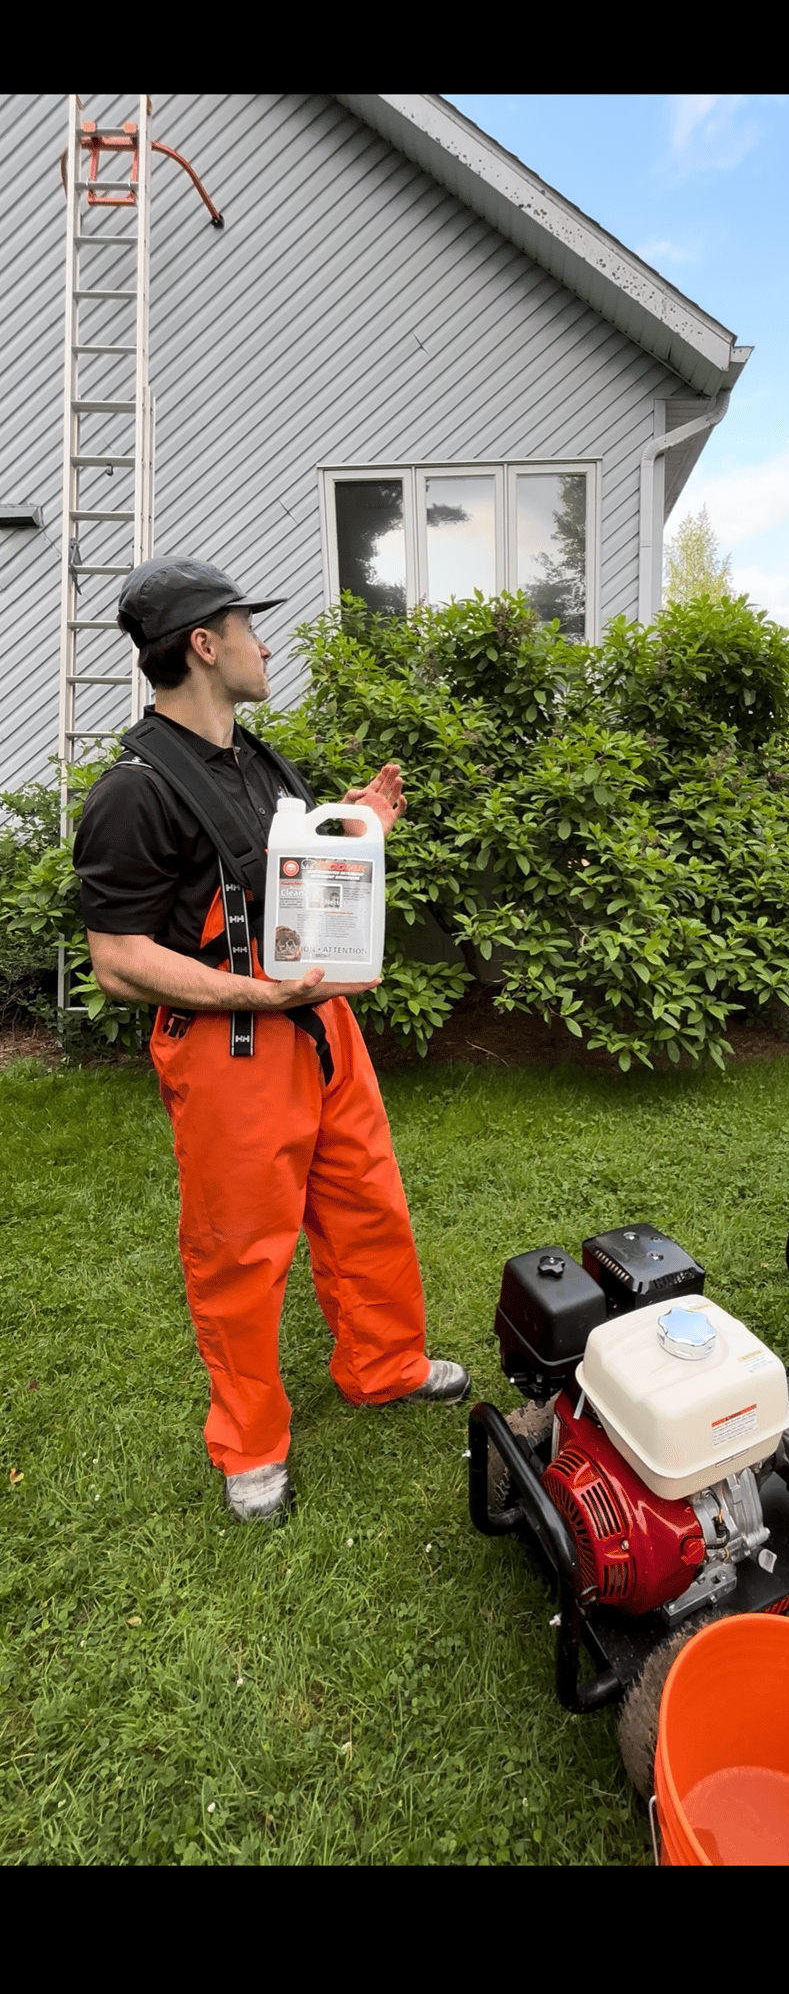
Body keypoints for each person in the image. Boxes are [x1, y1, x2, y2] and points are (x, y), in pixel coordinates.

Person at [73, 555, 469, 1524]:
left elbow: (279, 876)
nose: (265, 643)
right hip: (231, 1050)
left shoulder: (257, 761)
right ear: (205, 645)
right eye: (249, 627)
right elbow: (118, 960)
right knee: (240, 1253)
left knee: (367, 1206)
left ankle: (383, 1364)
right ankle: (250, 1448)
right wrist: (255, 993)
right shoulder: (133, 791)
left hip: (321, 1027)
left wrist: (360, 826)